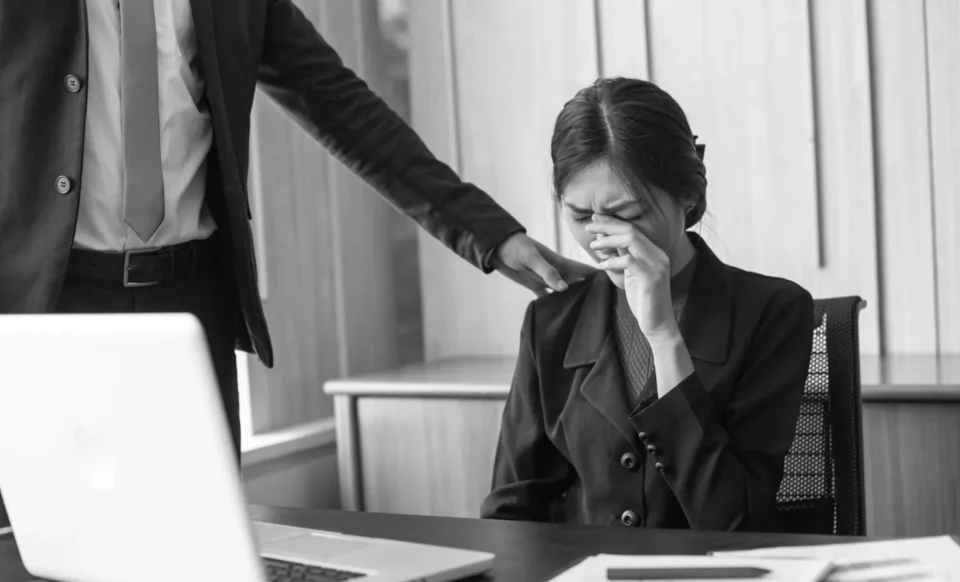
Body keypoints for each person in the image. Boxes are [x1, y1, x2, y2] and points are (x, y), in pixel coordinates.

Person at [0, 0, 592, 455]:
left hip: (189, 310)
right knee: (32, 570)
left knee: (198, 563)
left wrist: (490, 234)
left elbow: (338, 103)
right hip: (47, 310)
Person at [481, 77, 815, 532]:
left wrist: (663, 337)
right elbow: (510, 513)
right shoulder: (550, 322)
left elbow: (736, 523)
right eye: (580, 215)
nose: (601, 238)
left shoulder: (774, 311)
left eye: (629, 213)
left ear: (689, 194)